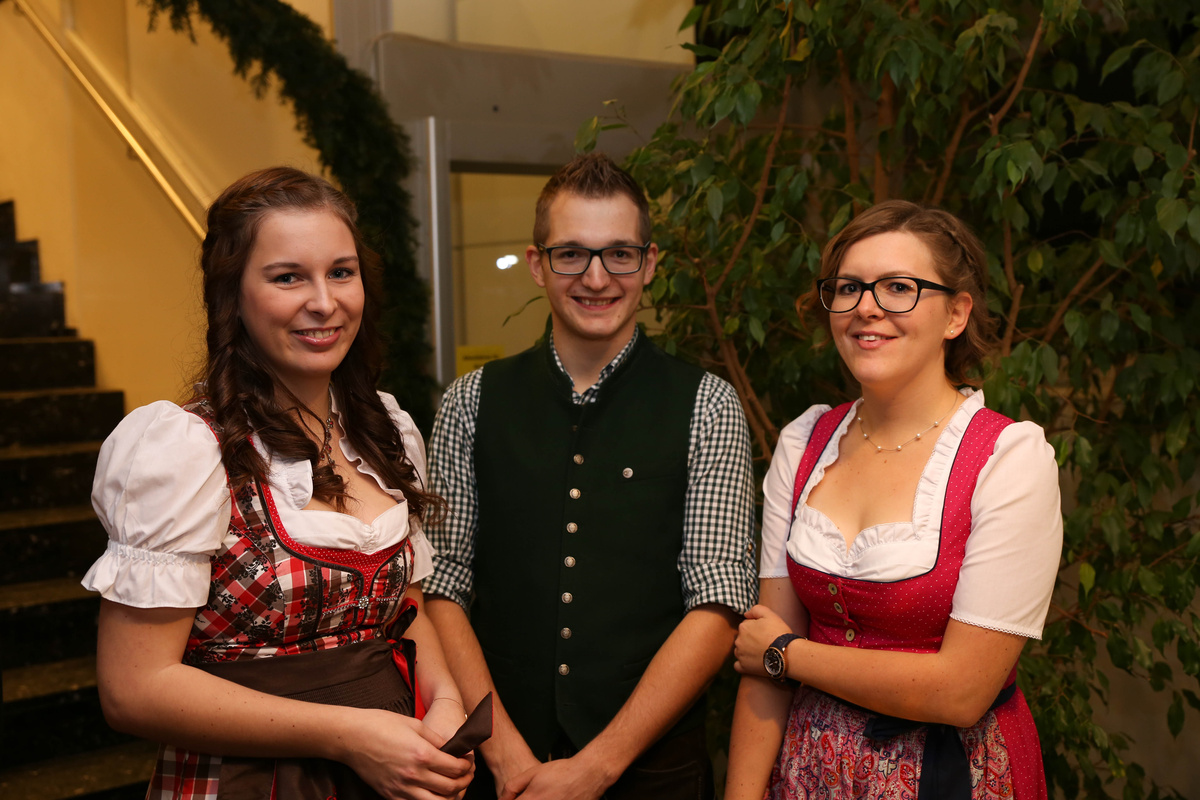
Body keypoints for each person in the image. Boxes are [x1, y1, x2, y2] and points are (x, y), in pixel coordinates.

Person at [81, 167, 475, 799]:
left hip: (390, 775)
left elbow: (407, 614)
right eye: (288, 277)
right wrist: (349, 735)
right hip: (248, 782)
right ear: (232, 296)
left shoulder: (386, 431)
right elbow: (134, 690)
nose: (324, 302)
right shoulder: (188, 451)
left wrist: (446, 702)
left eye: (341, 272)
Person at [422, 152, 758, 800]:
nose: (597, 278)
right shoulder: (470, 402)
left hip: (651, 775)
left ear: (650, 263)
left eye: (619, 255)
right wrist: (505, 756)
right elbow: (442, 587)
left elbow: (717, 604)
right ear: (537, 264)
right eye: (571, 254)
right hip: (499, 768)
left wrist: (598, 767)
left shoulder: (708, 405)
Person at [726, 200, 1062, 800]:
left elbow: (961, 691)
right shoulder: (804, 443)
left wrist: (787, 653)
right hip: (807, 772)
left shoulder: (1008, 459)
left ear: (956, 314)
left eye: (899, 287)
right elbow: (763, 670)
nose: (866, 307)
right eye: (848, 288)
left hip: (951, 775)